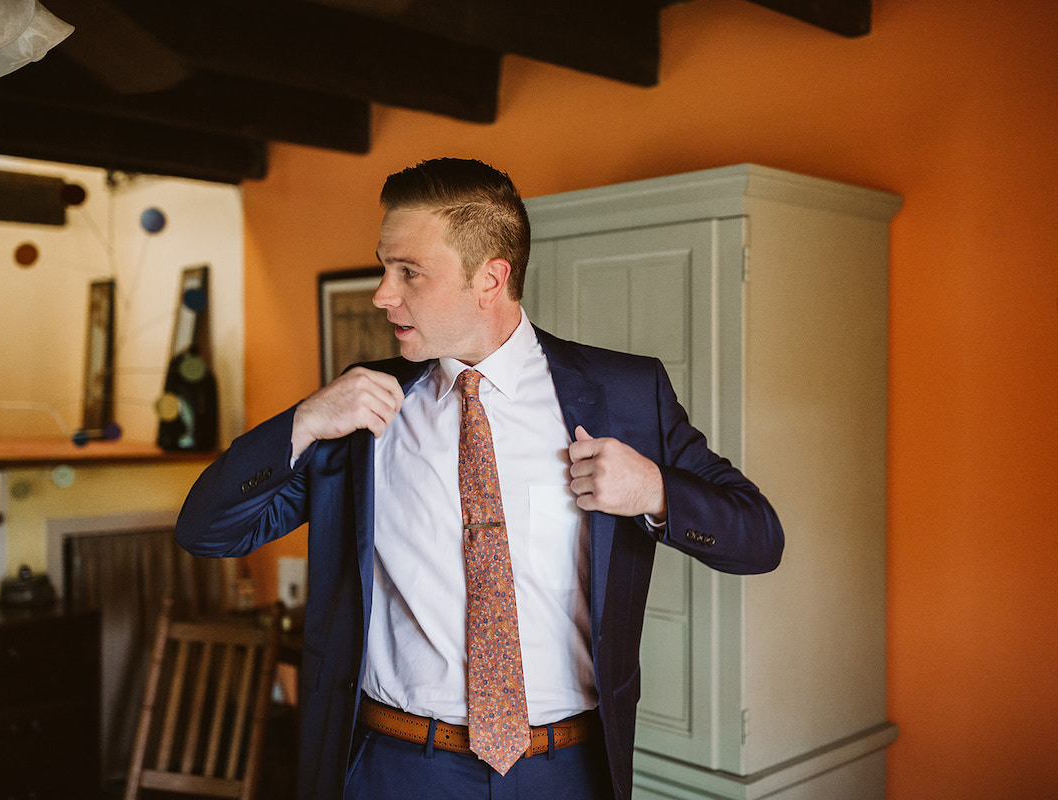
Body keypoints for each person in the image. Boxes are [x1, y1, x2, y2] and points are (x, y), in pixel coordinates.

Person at [175, 158, 783, 800]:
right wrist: (301, 421)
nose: (383, 293)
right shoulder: (358, 413)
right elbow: (207, 531)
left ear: (491, 278)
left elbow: (759, 538)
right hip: (399, 768)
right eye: (385, 268)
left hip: (567, 772)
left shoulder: (625, 395)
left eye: (408, 272)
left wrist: (655, 492)